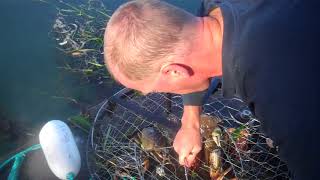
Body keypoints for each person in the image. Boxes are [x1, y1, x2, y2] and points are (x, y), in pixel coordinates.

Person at [103, 0, 320, 179]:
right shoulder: (212, 9)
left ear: (174, 72)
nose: (166, 94)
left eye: (158, 90)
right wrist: (190, 123)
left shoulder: (280, 101)